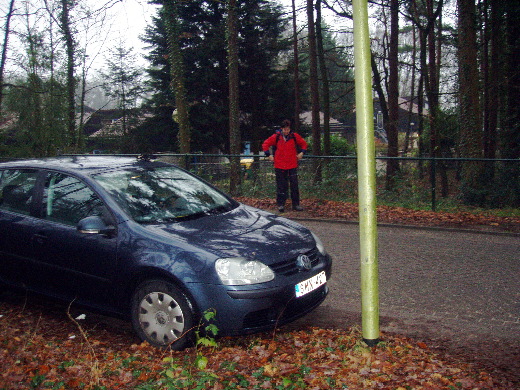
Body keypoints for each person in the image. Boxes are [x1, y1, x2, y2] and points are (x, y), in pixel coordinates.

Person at [262, 119, 307, 212]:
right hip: (279, 165)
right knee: (281, 185)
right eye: (285, 129)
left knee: (294, 185)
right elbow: (265, 144)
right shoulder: (276, 137)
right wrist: (269, 155)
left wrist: (302, 153)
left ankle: (296, 204)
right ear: (281, 129)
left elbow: (304, 144)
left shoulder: (294, 136)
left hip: (292, 164)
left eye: (288, 129)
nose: (286, 131)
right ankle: (281, 204)